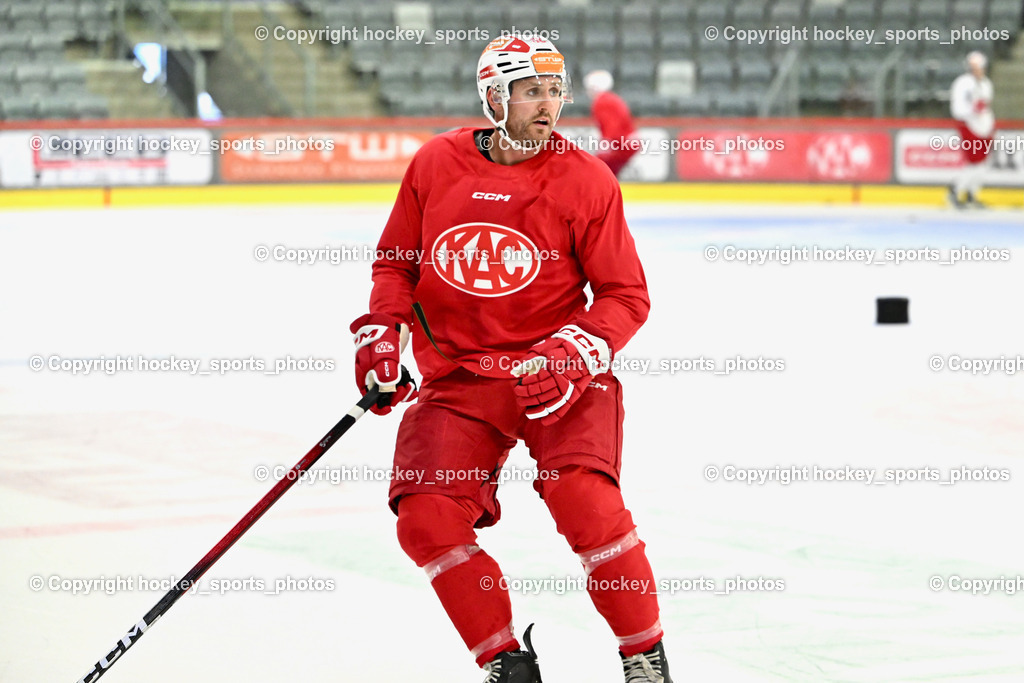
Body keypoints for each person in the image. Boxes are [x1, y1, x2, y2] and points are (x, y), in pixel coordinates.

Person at [349, 35, 672, 683]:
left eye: (556, 90)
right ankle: (506, 661)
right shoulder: (436, 163)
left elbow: (624, 295)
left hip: (557, 376)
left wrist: (574, 352)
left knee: (586, 502)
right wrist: (382, 331)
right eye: (532, 92)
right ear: (494, 97)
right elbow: (396, 264)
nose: (548, 105)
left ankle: (644, 655)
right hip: (461, 379)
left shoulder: (585, 179)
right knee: (426, 517)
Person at [948, 51, 994, 208]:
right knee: (974, 162)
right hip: (968, 125)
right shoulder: (962, 83)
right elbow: (958, 109)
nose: (978, 70)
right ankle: (955, 190)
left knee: (983, 163)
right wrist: (972, 110)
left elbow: (986, 107)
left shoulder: (986, 84)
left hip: (984, 127)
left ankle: (971, 194)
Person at [583, 69, 641, 177]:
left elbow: (611, 127)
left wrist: (606, 146)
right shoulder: (612, 98)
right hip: (627, 142)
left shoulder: (601, 101)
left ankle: (605, 192)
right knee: (607, 173)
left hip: (621, 144)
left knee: (598, 172)